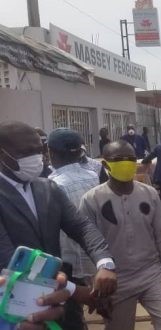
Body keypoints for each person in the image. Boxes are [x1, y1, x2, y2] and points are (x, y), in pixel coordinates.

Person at [0, 121, 117, 328]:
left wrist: (105, 263)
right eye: (27, 152)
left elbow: (82, 226)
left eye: (40, 150)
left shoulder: (48, 188)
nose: (37, 158)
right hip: (15, 308)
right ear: (2, 155)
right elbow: (7, 256)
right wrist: (75, 290)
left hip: (58, 301)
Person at [79, 141, 161, 330]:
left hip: (152, 273)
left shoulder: (149, 194)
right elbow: (85, 247)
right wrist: (95, 287)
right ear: (105, 164)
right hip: (115, 281)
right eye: (119, 159)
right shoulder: (92, 200)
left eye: (131, 158)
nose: (126, 163)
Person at [47, 128, 101, 329]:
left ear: (51, 153)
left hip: (68, 260)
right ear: (80, 152)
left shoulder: (51, 185)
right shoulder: (95, 176)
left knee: (72, 313)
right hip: (97, 255)